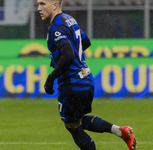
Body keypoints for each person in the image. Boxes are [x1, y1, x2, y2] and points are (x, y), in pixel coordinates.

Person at [37, 0, 137, 149]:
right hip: (86, 79)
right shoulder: (70, 20)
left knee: (72, 126)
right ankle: (120, 131)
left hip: (72, 84)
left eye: (43, 3)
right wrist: (67, 60)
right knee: (78, 120)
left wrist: (51, 77)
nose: (39, 8)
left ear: (55, 5)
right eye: (38, 4)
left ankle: (120, 131)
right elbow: (86, 42)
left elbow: (69, 55)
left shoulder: (55, 28)